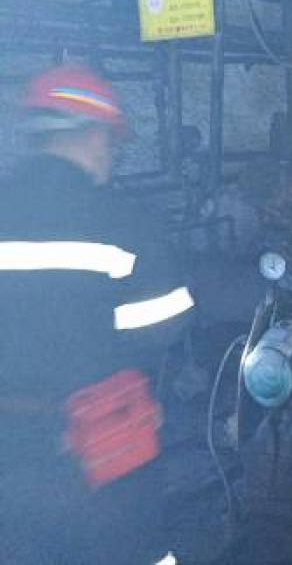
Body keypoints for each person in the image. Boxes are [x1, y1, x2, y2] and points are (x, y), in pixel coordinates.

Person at [0, 63, 194, 564]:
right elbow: (164, 326)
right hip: (99, 448)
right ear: (91, 134)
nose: (112, 155)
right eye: (112, 141)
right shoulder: (121, 220)